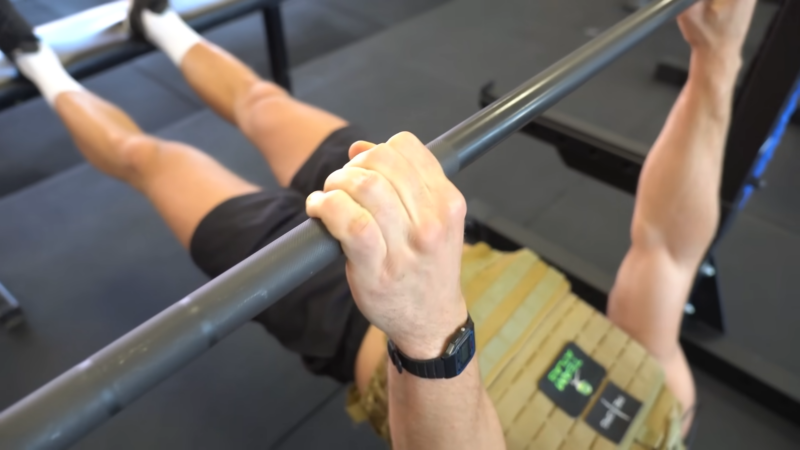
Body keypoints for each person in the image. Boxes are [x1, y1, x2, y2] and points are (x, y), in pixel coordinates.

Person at [0, 0, 756, 447]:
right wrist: (716, 58)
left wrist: (429, 326)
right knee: (262, 103)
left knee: (150, 157)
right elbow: (663, 249)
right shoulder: (669, 409)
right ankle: (161, 21)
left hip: (359, 316)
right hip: (420, 223)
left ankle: (34, 63)